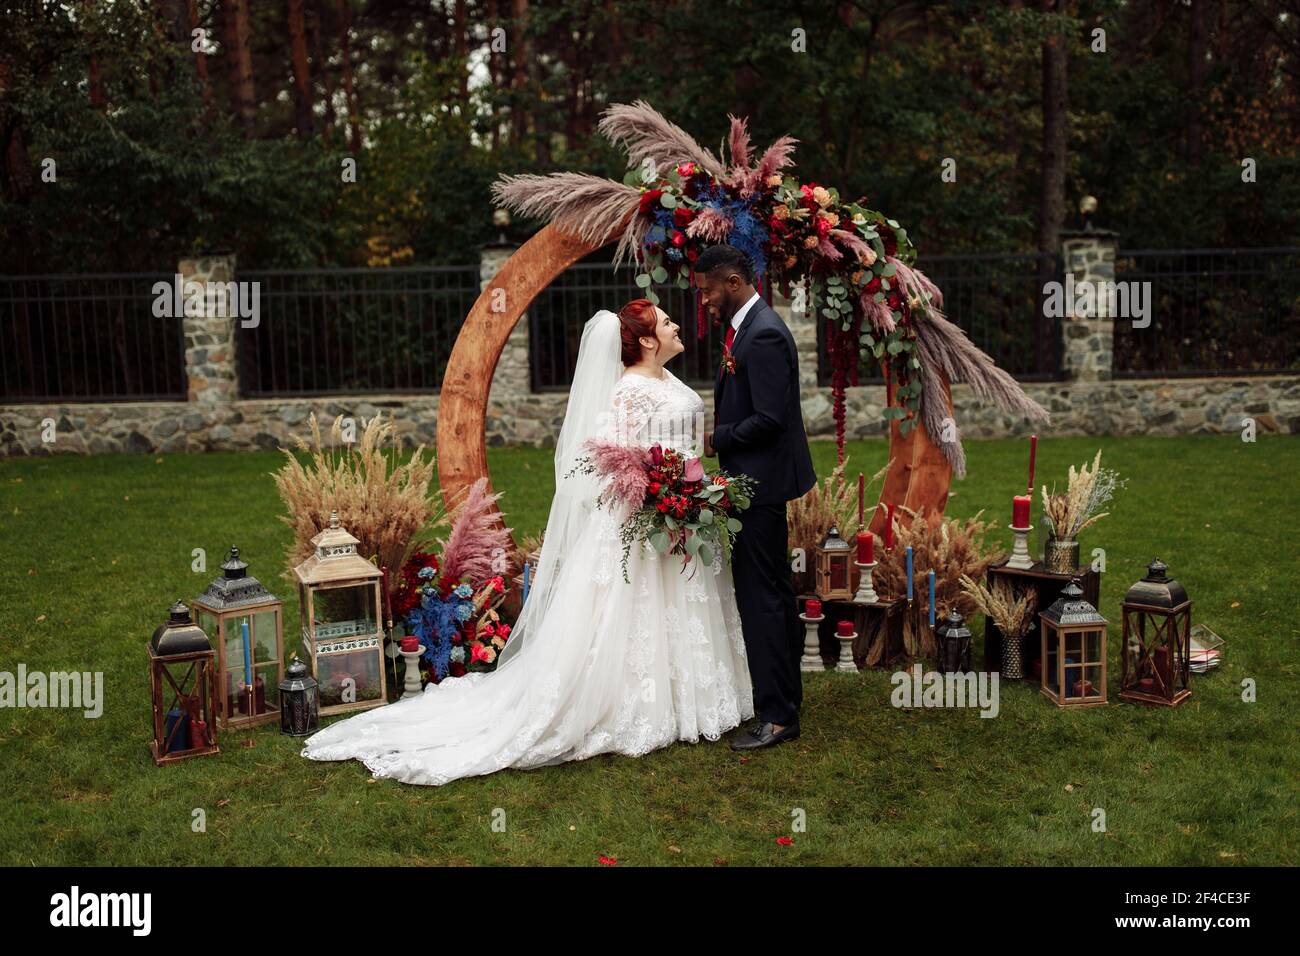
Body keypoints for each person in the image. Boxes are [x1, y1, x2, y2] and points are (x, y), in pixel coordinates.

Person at [302, 300, 753, 785]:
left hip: (685, 515)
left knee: (683, 602)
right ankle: (632, 702)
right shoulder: (631, 391)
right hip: (647, 520)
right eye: (666, 323)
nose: (676, 325)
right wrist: (656, 490)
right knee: (637, 613)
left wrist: (691, 490)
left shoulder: (668, 379)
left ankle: (689, 694)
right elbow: (609, 459)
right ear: (645, 340)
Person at [696, 244, 817, 751]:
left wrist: (718, 438)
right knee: (772, 592)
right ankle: (786, 697)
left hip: (761, 486)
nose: (702, 301)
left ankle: (778, 715)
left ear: (732, 281)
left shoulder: (763, 334)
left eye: (706, 291)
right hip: (758, 481)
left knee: (761, 597)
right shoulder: (749, 326)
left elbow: (770, 418)